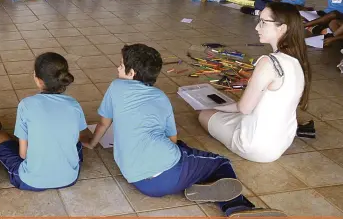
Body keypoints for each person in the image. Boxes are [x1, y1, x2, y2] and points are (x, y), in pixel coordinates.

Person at [84, 44, 281, 217]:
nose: (118, 67)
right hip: (168, 176)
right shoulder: (160, 97)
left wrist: (92, 144)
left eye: (121, 64)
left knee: (185, 150)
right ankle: (237, 208)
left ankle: (199, 186)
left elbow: (103, 124)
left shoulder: (115, 87)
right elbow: (172, 139)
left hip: (137, 180)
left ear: (132, 72)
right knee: (220, 163)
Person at [199, 3, 311, 163]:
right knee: (232, 112)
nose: (257, 27)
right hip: (282, 142)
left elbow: (243, 108)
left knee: (205, 115)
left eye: (263, 22)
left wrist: (212, 108)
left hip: (256, 146)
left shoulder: (268, 62)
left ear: (282, 28)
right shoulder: (297, 61)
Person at [0, 53, 88, 191]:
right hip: (70, 177)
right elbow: (77, 138)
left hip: (31, 180)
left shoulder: (26, 105)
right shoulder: (73, 104)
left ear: (38, 79)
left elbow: (23, 154)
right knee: (73, 143)